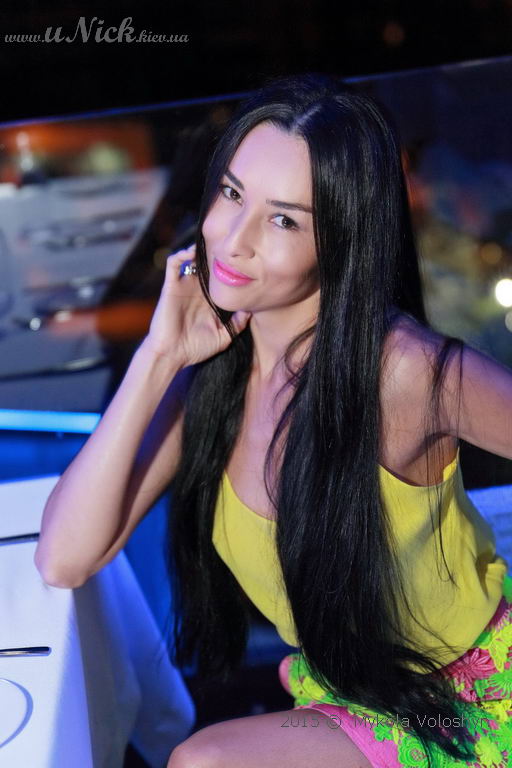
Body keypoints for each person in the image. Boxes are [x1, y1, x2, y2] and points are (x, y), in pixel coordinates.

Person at [34, 73, 512, 768]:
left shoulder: (405, 370)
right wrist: (159, 356)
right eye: (231, 194)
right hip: (346, 695)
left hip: (472, 698)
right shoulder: (211, 374)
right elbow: (64, 556)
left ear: (341, 237)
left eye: (284, 220)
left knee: (203, 762)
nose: (233, 241)